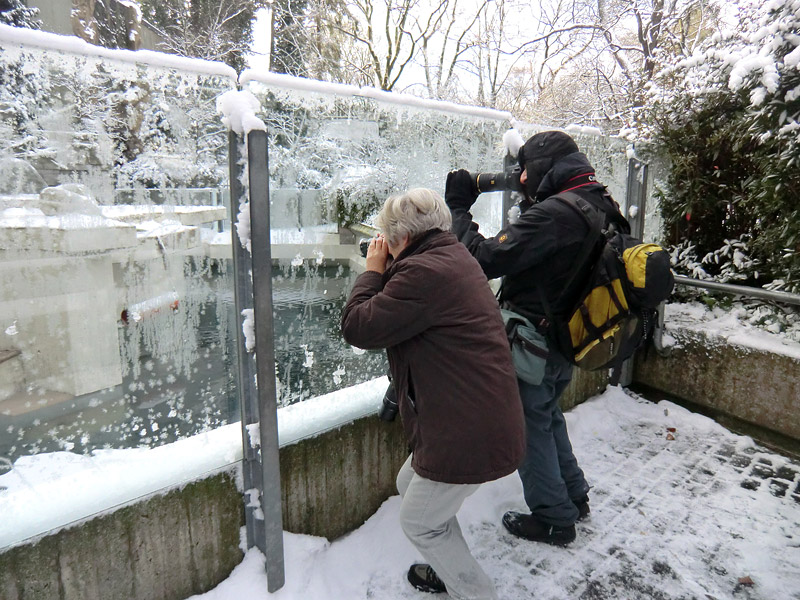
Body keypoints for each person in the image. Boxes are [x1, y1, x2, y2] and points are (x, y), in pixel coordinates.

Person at [444, 130, 630, 547]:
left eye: (527, 170)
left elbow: (482, 259)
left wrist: (458, 208)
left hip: (536, 343)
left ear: (546, 168)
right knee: (546, 415)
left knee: (528, 427)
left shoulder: (555, 215)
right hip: (570, 335)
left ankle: (554, 518)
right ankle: (574, 497)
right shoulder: (597, 200)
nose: (522, 179)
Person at [342, 188, 525, 599]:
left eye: (387, 238)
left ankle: (476, 594)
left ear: (402, 239)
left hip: (468, 428)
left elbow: (358, 326)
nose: (383, 245)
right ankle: (449, 568)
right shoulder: (453, 256)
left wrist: (372, 270)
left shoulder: (423, 273)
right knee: (412, 486)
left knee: (421, 521)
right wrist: (390, 267)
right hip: (475, 416)